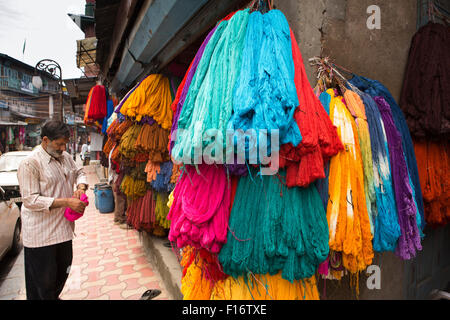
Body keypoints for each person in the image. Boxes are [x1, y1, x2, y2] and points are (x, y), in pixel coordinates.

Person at [17, 120, 88, 300]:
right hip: (41, 235)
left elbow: (79, 171)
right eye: (59, 144)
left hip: (63, 230)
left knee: (63, 270)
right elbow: (30, 200)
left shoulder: (65, 157)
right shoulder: (30, 163)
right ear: (46, 140)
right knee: (42, 284)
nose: (63, 148)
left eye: (65, 143)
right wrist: (66, 202)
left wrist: (80, 187)